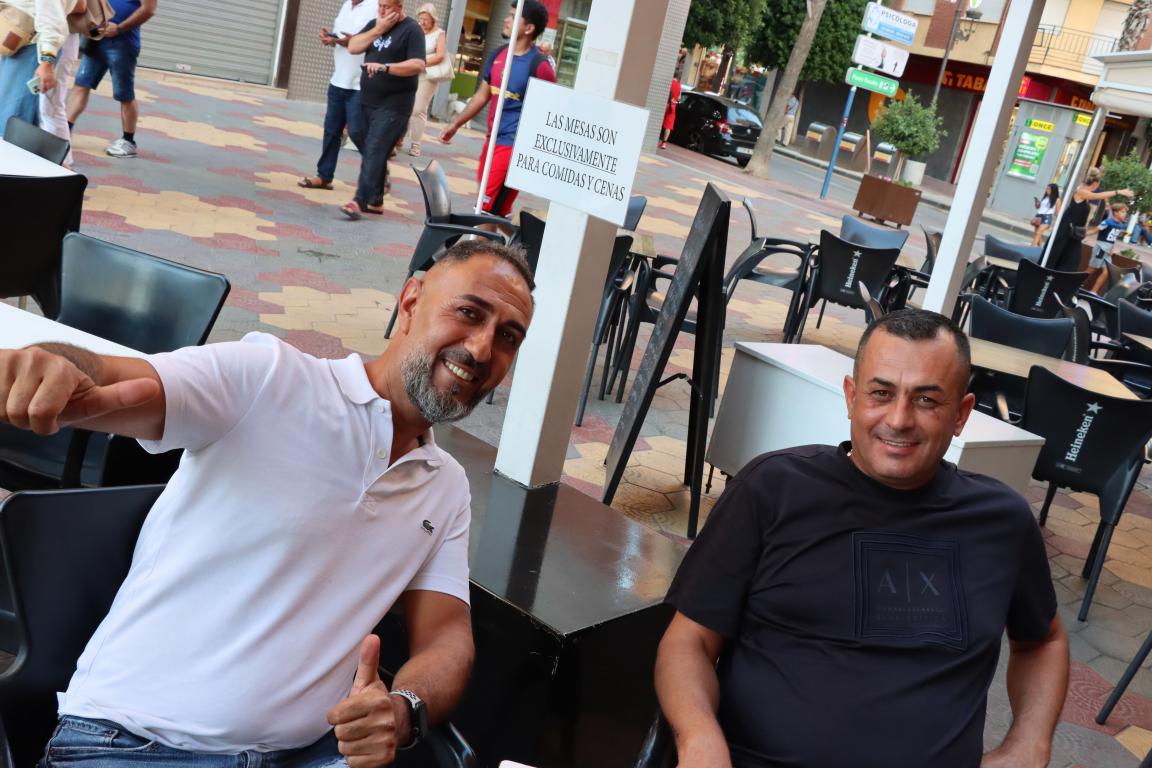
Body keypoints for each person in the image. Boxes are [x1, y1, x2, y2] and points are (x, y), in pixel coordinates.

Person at [0, 241, 535, 767]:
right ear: (412, 300)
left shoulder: (445, 487)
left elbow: (446, 636)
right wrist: (50, 366)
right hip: (134, 743)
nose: (482, 349)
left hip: (310, 755)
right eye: (469, 313)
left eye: (508, 337)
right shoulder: (269, 377)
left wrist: (402, 711)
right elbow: (116, 379)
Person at [655, 309, 1069, 768]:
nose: (899, 419)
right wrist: (698, 738)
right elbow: (689, 641)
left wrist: (1029, 744)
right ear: (852, 397)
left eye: (927, 400)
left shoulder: (1002, 521)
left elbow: (1043, 640)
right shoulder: (773, 489)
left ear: (961, 414)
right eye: (881, 393)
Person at [440, 1, 556, 221]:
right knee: (494, 212)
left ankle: (492, 243)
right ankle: (523, 241)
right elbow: (482, 95)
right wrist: (455, 124)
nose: (506, 19)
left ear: (529, 28)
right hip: (492, 141)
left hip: (513, 147)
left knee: (484, 209)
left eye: (513, 16)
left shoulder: (540, 67)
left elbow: (550, 114)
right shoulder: (498, 55)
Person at [340, 0, 426, 220]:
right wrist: (378, 29)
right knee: (356, 134)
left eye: (387, 6)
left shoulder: (412, 30)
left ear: (399, 7)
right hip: (367, 99)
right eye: (379, 5)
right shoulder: (375, 24)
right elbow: (353, 46)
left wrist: (387, 68)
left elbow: (418, 64)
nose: (381, 10)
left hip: (395, 104)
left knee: (375, 148)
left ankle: (359, 201)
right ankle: (376, 200)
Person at [297, 0, 377, 191]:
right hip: (338, 79)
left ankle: (379, 171)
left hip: (360, 83)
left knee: (357, 132)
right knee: (331, 131)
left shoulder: (375, 6)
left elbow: (376, 43)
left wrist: (348, 41)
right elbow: (343, 39)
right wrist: (331, 39)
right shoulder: (346, 5)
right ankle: (324, 176)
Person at [65, 0, 155, 158]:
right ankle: (64, 133)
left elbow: (149, 10)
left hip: (123, 43)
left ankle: (128, 141)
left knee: (124, 94)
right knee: (81, 84)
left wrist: (119, 29)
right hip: (96, 39)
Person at [0, 0, 71, 129]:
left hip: (33, 49)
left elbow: (52, 20)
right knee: (12, 115)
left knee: (13, 118)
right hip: (19, 45)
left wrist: (46, 62)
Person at [1049, 167, 1133, 272]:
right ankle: (1051, 275)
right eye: (1098, 184)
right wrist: (1119, 191)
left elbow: (1099, 194)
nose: (1098, 187)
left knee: (1072, 259)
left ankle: (1059, 277)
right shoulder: (1081, 192)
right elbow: (1097, 196)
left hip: (1075, 232)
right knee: (1062, 256)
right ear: (1095, 183)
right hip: (1067, 230)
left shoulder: (1084, 191)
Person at [403, 3, 446, 159]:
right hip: (411, 72)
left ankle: (416, 144)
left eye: (425, 19)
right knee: (404, 105)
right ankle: (399, 138)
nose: (422, 22)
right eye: (420, 18)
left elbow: (440, 55)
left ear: (433, 19)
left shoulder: (439, 33)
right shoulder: (416, 30)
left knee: (418, 108)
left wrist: (421, 62)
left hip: (427, 75)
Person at [1086, 201, 1130, 293]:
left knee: (1106, 272)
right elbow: (1094, 231)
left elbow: (1112, 239)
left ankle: (1093, 292)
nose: (1125, 214)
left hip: (1108, 251)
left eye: (1125, 212)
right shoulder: (1107, 222)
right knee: (1091, 270)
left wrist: (1112, 249)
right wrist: (1081, 234)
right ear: (1115, 212)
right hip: (1100, 249)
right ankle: (1075, 285)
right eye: (1122, 212)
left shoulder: (1120, 225)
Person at [1030, 182, 1061, 246]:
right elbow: (1038, 208)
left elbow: (1057, 212)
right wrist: (1037, 204)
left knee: (1038, 233)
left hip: (1046, 218)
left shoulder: (1057, 199)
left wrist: (1058, 222)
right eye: (1047, 188)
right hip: (1038, 216)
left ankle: (1031, 248)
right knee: (1038, 234)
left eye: (1049, 189)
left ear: (1053, 190)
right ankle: (1040, 249)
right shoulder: (1046, 197)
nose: (1047, 190)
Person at [659, 76, 680, 149]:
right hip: (672, 107)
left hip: (665, 104)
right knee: (668, 126)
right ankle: (664, 143)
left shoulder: (669, 83)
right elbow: (678, 98)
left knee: (659, 121)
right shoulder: (679, 86)